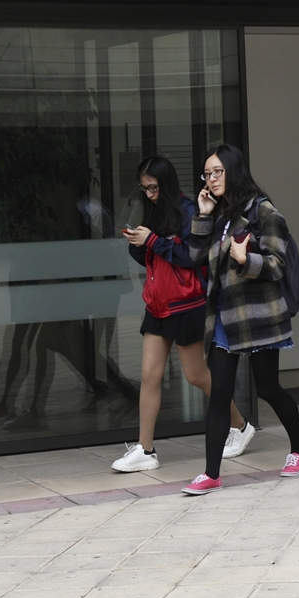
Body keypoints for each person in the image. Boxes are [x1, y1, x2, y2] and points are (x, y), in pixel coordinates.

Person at [181, 144, 299, 495]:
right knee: (220, 392)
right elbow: (194, 256)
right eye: (207, 173)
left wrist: (245, 259)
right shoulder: (218, 214)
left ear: (233, 171)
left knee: (267, 387)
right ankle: (211, 473)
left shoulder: (263, 210)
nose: (210, 179)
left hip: (259, 317)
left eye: (217, 172)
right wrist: (203, 214)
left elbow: (276, 265)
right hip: (224, 316)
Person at [112, 155, 250, 473]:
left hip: (186, 304)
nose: (149, 194)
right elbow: (153, 258)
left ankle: (240, 426)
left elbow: (192, 257)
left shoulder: (190, 210)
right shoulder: (153, 209)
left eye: (154, 187)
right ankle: (145, 450)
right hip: (158, 304)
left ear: (167, 182)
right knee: (149, 375)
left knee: (196, 375)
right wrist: (137, 243)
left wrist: (154, 241)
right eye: (144, 189)